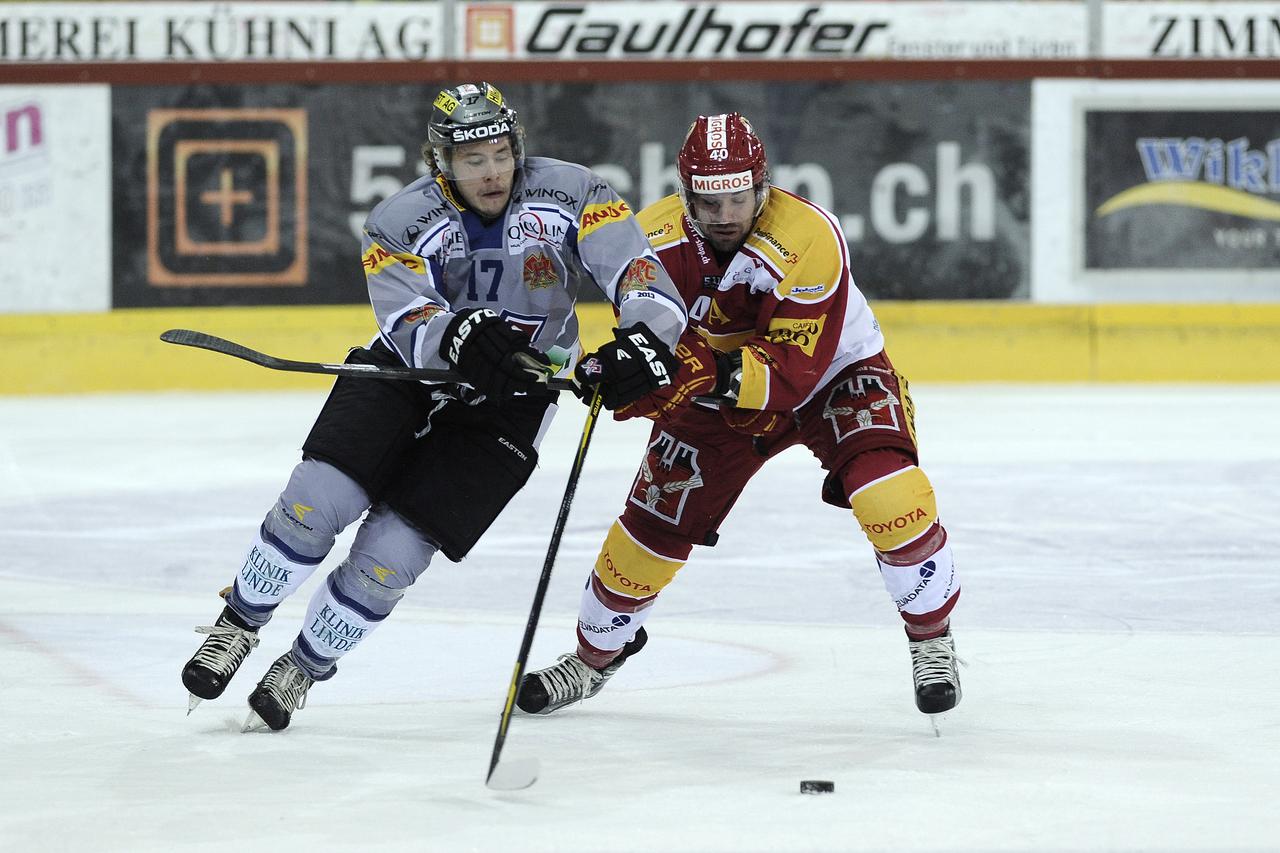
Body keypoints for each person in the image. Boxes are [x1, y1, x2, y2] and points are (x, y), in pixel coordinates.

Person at [180, 81, 687, 732]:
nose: (493, 171)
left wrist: (643, 340)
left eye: (502, 153)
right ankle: (238, 623)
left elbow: (640, 276)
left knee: (391, 557)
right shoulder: (398, 219)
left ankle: (304, 665)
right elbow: (405, 313)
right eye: (474, 159)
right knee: (315, 501)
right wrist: (456, 332)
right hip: (408, 370)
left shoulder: (577, 194)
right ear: (440, 161)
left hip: (516, 399)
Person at [517, 113, 962, 719]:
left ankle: (930, 635)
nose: (724, 213)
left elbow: (795, 370)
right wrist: (620, 378)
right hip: (715, 401)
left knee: (887, 493)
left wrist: (703, 372)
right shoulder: (647, 244)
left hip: (834, 378)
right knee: (645, 541)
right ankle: (596, 657)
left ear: (763, 185)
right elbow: (652, 356)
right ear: (684, 193)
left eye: (738, 197)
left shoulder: (809, 236)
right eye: (707, 200)